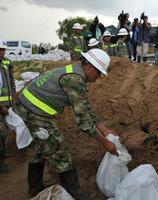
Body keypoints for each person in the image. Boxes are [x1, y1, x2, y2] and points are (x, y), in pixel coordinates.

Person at [13, 49, 118, 199]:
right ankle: (74, 193)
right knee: (59, 149)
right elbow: (84, 123)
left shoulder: (75, 72)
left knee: (42, 145)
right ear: (90, 67)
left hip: (28, 105)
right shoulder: (74, 80)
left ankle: (35, 187)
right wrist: (105, 142)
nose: (99, 77)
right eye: (99, 72)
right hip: (32, 110)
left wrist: (103, 127)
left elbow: (84, 106)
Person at [0, 39, 15, 173]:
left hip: (7, 102)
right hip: (0, 105)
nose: (2, 52)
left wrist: (13, 94)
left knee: (3, 131)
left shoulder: (7, 62)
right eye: (0, 50)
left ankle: (3, 152)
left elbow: (11, 79)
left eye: (3, 50)